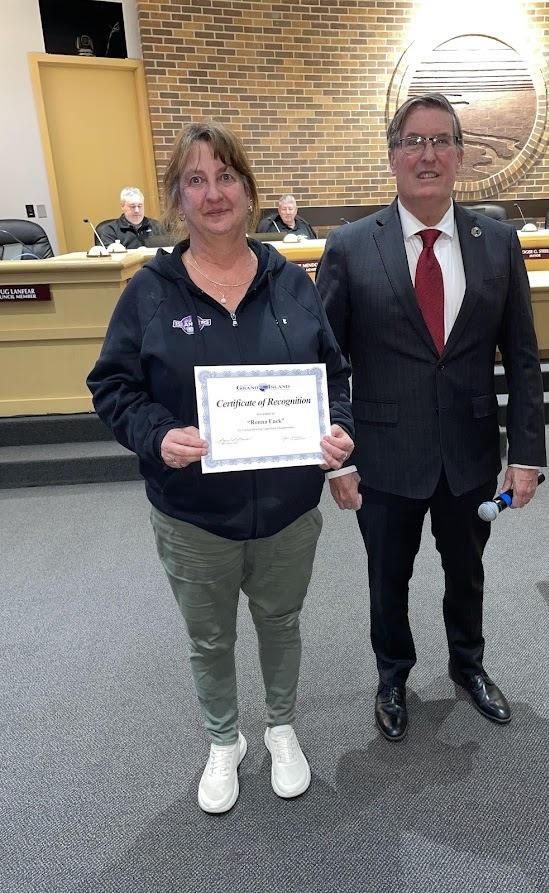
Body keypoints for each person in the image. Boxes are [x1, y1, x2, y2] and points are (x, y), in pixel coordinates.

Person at [87, 121, 354, 813]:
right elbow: (112, 386)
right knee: (209, 637)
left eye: (227, 177)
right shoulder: (150, 291)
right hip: (193, 515)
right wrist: (157, 435)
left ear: (248, 190)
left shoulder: (290, 282)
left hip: (288, 510)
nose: (214, 193)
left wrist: (339, 433)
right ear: (177, 197)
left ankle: (281, 727)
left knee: (281, 621)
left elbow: (334, 375)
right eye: (196, 180)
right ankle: (223, 738)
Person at [316, 92, 546, 743]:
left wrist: (527, 454)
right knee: (387, 577)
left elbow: (522, 356)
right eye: (413, 141)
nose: (428, 154)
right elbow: (324, 360)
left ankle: (468, 665)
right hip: (383, 455)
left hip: (470, 451)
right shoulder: (350, 246)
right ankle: (392, 676)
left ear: (460, 156)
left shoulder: (497, 242)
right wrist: (338, 457)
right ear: (393, 156)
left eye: (441, 140)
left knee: (467, 573)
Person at [96, 187, 166, 248]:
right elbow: (107, 256)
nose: (137, 210)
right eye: (132, 206)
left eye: (140, 206)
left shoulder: (157, 227)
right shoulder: (111, 230)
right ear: (122, 206)